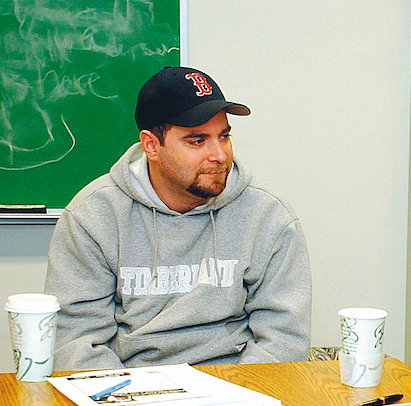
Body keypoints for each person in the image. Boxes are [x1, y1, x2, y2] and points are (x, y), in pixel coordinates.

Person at [46, 66, 311, 370]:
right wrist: (132, 401)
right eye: (197, 141)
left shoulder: (268, 215)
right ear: (151, 145)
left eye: (223, 136)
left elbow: (283, 339)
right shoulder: (93, 217)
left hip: (237, 389)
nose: (219, 155)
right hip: (131, 393)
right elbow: (75, 340)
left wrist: (231, 399)